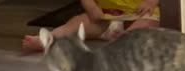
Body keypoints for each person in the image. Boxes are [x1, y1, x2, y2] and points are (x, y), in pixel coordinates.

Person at [22, 0, 160, 52]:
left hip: (139, 15)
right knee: (77, 22)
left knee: (147, 24)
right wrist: (92, 7)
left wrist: (150, 2)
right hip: (103, 17)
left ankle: (124, 42)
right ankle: (49, 38)